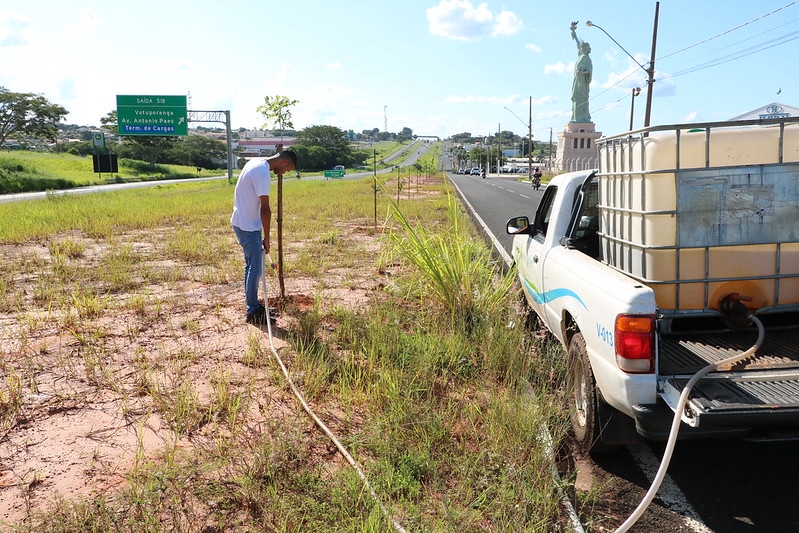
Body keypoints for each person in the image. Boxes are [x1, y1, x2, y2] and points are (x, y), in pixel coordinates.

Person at [230, 150, 297, 324]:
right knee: (256, 269)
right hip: (248, 226)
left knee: (250, 267)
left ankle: (252, 305)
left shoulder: (255, 162)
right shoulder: (262, 172)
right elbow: (265, 208)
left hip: (241, 221)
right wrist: (267, 237)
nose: (284, 173)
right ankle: (252, 311)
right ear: (284, 162)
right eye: (288, 169)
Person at [570, 21, 593, 124]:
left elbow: (589, 71)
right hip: (577, 82)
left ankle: (583, 118)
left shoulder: (587, 59)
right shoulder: (581, 56)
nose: (580, 47)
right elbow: (578, 43)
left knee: (582, 101)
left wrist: (582, 73)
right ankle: (575, 118)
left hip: (583, 84)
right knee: (575, 100)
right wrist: (573, 31)